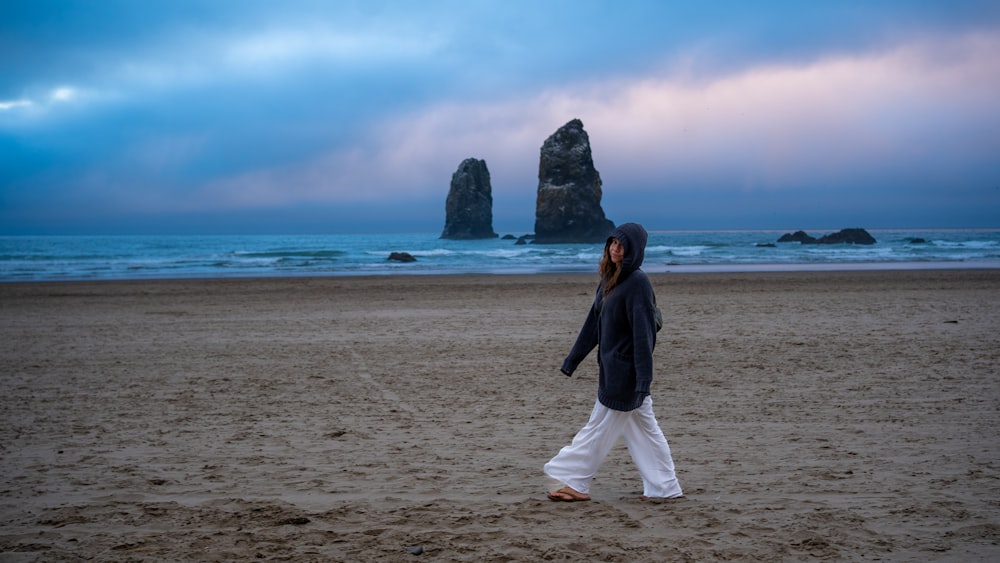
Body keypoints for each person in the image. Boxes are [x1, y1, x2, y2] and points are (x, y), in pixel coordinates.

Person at [544, 222, 683, 502]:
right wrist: (572, 361)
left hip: (626, 375)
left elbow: (644, 336)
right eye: (613, 243)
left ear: (634, 250)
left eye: (622, 244)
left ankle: (574, 481)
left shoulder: (638, 284)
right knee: (646, 432)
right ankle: (665, 488)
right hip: (612, 370)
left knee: (597, 430)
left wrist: (643, 380)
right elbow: (592, 325)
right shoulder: (610, 280)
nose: (615, 248)